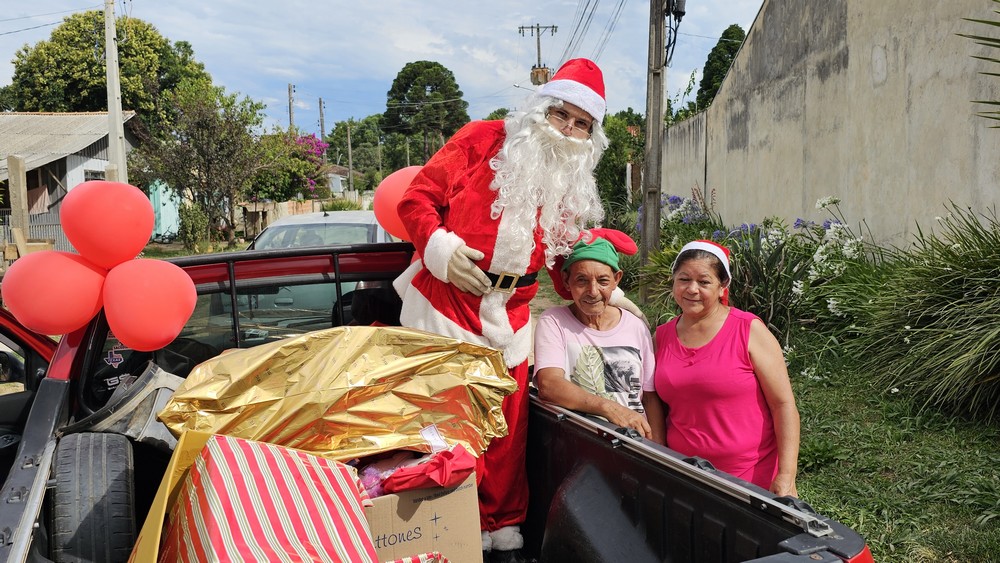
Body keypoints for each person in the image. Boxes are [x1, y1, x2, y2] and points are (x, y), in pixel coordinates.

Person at [393, 58, 624, 562]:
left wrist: (610, 292)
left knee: (507, 431)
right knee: (447, 429)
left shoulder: (569, 177)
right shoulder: (482, 139)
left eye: (581, 124)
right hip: (448, 303)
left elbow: (565, 253)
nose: (568, 130)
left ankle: (502, 532)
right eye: (561, 115)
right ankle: (454, 530)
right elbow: (416, 201)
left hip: (515, 311)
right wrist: (442, 251)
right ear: (542, 107)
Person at [653, 240, 800, 496]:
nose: (692, 289)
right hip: (685, 473)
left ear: (723, 286)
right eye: (684, 279)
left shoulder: (748, 330)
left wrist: (786, 476)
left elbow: (783, 405)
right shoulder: (661, 336)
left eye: (704, 281)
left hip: (751, 477)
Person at [533, 232, 664, 444]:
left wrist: (659, 452)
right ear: (566, 281)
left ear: (616, 280)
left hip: (636, 446)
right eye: (581, 280)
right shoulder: (554, 322)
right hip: (582, 444)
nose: (593, 291)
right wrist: (608, 408)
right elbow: (549, 385)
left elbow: (650, 397)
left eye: (603, 280)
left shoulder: (635, 326)